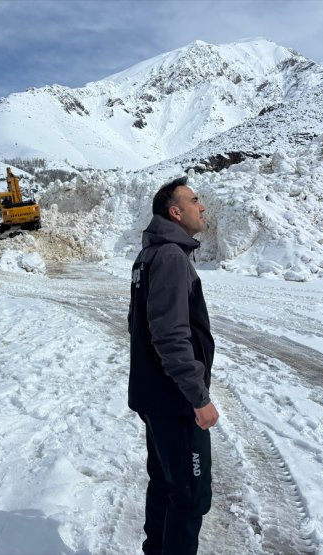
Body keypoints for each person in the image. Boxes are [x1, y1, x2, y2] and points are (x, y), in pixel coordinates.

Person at [128, 176, 219, 555]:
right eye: (195, 201)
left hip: (156, 395)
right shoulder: (168, 256)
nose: (202, 207)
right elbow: (169, 335)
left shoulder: (149, 254)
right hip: (175, 400)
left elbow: (140, 324)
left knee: (166, 484)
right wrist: (198, 397)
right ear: (175, 212)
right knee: (191, 497)